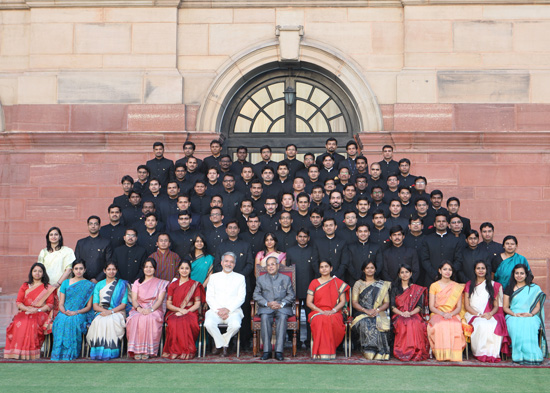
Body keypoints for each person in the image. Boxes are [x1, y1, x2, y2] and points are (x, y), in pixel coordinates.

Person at [4, 263, 56, 360]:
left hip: (40, 312)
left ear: (43, 273)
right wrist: (28, 309)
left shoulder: (47, 288)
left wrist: (37, 310)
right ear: (31, 273)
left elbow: (50, 304)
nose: (37, 273)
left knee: (31, 323)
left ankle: (31, 352)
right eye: (35, 271)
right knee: (19, 322)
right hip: (26, 311)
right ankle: (17, 352)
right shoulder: (25, 286)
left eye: (40, 271)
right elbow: (19, 302)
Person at [463, 261, 510, 363]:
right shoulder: (469, 284)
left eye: (483, 268)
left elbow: (496, 306)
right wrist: (478, 315)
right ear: (474, 270)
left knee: (493, 324)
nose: (481, 270)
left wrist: (490, 314)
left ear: (487, 270)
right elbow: (467, 306)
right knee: (481, 324)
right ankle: (480, 352)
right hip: (473, 314)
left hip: (489, 314)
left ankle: (492, 353)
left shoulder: (493, 285)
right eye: (478, 268)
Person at [503, 264, 547, 365]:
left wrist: (530, 314)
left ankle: (533, 356)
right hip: (513, 315)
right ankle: (519, 355)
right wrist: (514, 314)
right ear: (513, 274)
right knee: (515, 325)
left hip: (530, 315)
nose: (519, 275)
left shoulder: (534, 288)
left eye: (522, 273)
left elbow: (537, 307)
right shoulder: (509, 288)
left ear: (526, 274)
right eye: (516, 273)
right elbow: (505, 307)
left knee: (530, 324)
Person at [51, 260, 95, 361]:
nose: (78, 271)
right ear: (72, 270)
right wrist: (64, 311)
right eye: (76, 269)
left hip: (80, 312)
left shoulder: (89, 285)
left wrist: (76, 312)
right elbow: (61, 303)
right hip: (64, 311)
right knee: (61, 321)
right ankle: (59, 353)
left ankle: (71, 353)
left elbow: (88, 307)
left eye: (81, 269)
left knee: (72, 321)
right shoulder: (65, 283)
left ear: (85, 270)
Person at [253, 256, 295, 361]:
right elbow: (256, 295)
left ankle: (279, 351)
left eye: (273, 264)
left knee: (282, 317)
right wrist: (267, 303)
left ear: (277, 265)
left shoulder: (285, 278)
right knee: (265, 318)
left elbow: (291, 295)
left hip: (282, 308)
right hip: (266, 307)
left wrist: (281, 304)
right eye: (268, 265)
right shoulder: (261, 279)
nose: (270, 267)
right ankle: (266, 351)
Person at [204, 252, 246, 357]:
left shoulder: (240, 278)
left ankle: (221, 344)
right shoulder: (213, 277)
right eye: (226, 261)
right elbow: (209, 297)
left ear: (234, 264)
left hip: (233, 311)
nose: (229, 264)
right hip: (215, 311)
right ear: (222, 263)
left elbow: (241, 298)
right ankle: (222, 345)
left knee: (236, 325)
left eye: (231, 262)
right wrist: (218, 310)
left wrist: (228, 309)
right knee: (208, 323)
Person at [127, 258, 169, 360]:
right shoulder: (137, 282)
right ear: (143, 268)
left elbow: (159, 300)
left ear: (155, 269)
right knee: (135, 318)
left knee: (150, 318)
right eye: (146, 267)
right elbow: (134, 299)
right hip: (138, 309)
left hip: (155, 309)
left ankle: (148, 351)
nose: (148, 269)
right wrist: (139, 309)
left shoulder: (160, 283)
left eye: (151, 267)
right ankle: (136, 350)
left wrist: (150, 310)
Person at [162, 260, 205, 360]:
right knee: (173, 322)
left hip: (190, 311)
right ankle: (175, 351)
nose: (184, 270)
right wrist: (179, 310)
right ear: (178, 270)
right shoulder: (172, 285)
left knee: (186, 321)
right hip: (174, 311)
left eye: (187, 268)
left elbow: (197, 303)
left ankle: (188, 351)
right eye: (182, 268)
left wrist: (187, 311)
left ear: (190, 270)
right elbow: (168, 304)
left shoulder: (195, 285)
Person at [307, 261, 349, 359]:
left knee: (332, 319)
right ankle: (321, 352)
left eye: (326, 266)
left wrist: (333, 310)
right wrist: (320, 311)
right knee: (321, 319)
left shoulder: (337, 282)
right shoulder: (314, 282)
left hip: (335, 311)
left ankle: (330, 350)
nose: (324, 269)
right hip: (317, 311)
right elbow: (309, 302)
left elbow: (342, 301)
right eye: (321, 267)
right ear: (319, 269)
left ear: (331, 268)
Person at [86, 262, 128, 360]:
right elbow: (95, 306)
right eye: (109, 269)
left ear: (116, 271)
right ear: (104, 271)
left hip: (118, 311)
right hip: (101, 311)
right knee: (99, 321)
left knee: (110, 321)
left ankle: (111, 352)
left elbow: (123, 304)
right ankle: (98, 352)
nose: (111, 272)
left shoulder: (122, 284)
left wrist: (111, 312)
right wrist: (104, 311)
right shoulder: (99, 285)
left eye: (113, 269)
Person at [351, 261, 391, 360]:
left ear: (375, 269)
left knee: (378, 321)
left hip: (378, 312)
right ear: (363, 270)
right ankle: (368, 349)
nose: (369, 270)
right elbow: (354, 302)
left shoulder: (382, 284)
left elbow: (386, 303)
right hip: (362, 312)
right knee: (366, 321)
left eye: (372, 268)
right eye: (367, 268)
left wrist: (377, 310)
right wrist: (366, 310)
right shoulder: (358, 283)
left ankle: (381, 351)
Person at [427, 261, 465, 362]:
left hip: (453, 313)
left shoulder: (457, 286)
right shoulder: (434, 286)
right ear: (440, 271)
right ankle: (442, 354)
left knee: (455, 325)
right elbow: (431, 306)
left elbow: (459, 307)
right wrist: (443, 314)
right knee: (441, 324)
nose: (447, 272)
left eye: (450, 270)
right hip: (437, 313)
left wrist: (450, 314)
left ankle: (453, 355)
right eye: (445, 269)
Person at [391, 265, 429, 361]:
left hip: (413, 314)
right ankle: (403, 352)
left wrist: (410, 313)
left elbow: (419, 307)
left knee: (415, 322)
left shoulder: (417, 289)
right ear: (399, 275)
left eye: (407, 272)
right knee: (404, 322)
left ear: (411, 274)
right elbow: (392, 306)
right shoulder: (395, 289)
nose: (405, 274)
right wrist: (402, 313)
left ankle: (416, 351)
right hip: (398, 314)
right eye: (402, 272)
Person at [75, 215, 112, 283]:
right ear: (88, 226)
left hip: (101, 281)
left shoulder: (106, 243)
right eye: (91, 224)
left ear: (99, 226)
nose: (93, 226)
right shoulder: (80, 243)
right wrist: (83, 278)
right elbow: (77, 261)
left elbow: (108, 262)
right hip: (83, 280)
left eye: (96, 224)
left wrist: (98, 279)